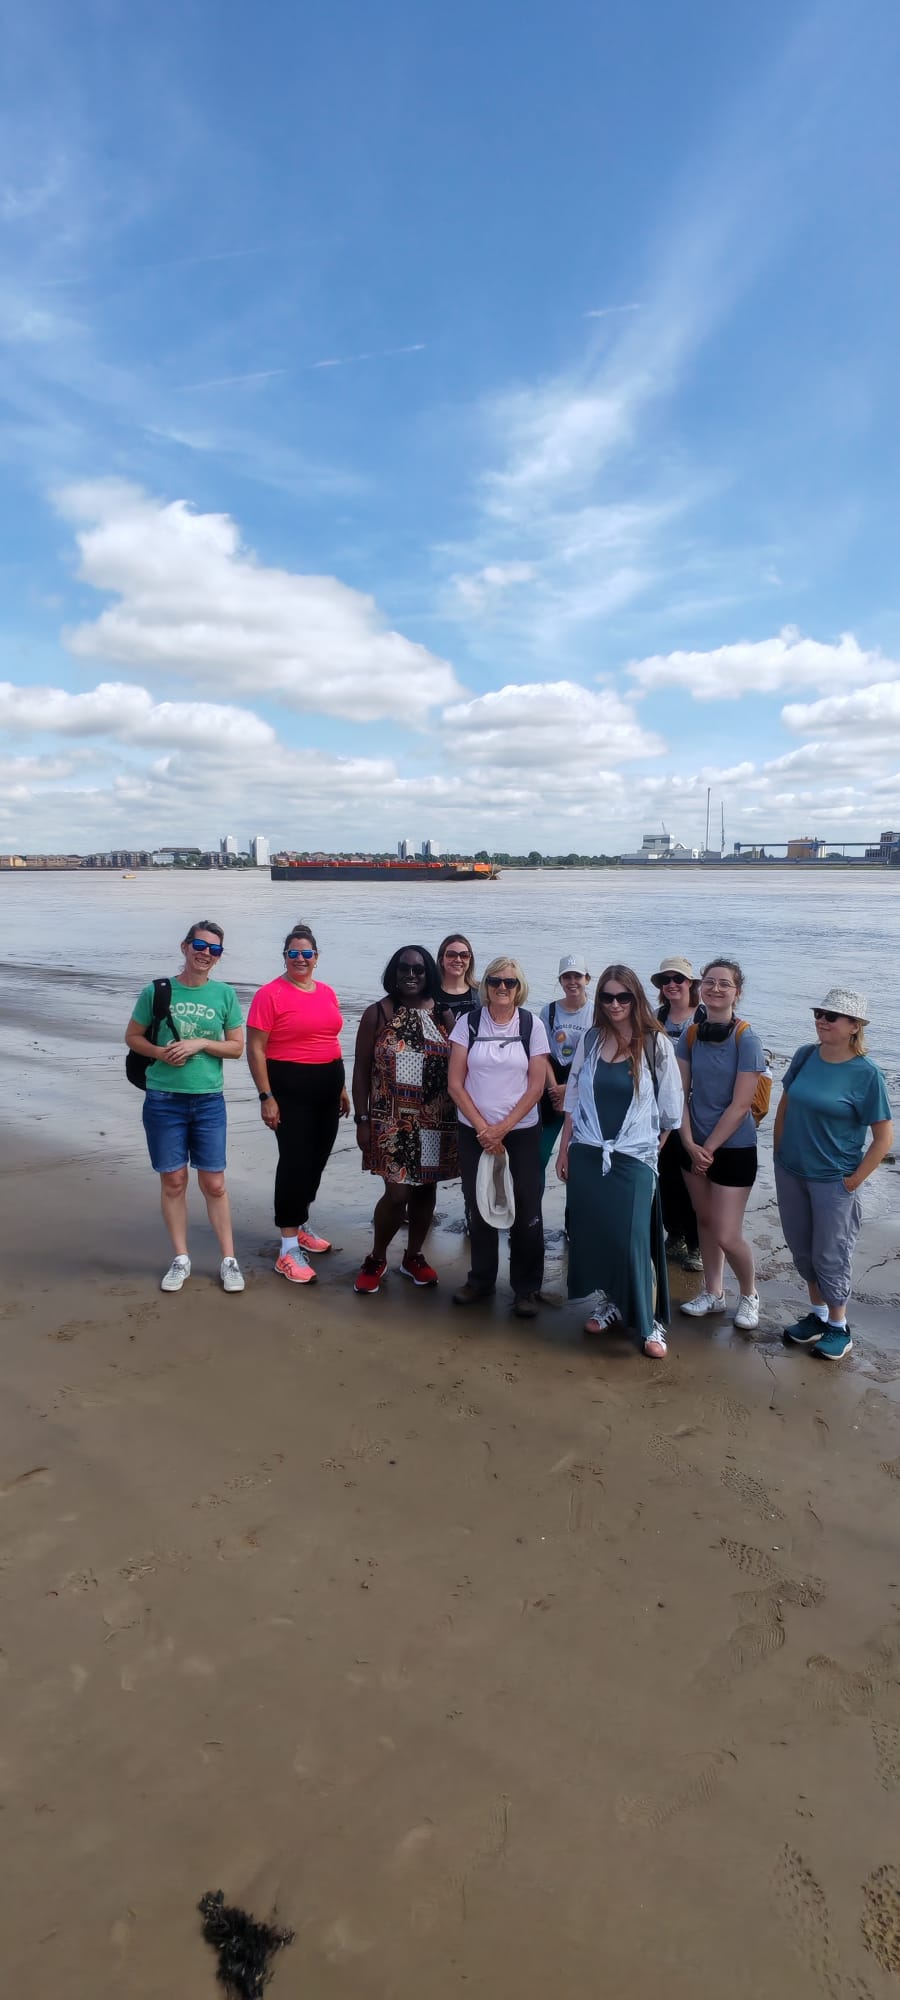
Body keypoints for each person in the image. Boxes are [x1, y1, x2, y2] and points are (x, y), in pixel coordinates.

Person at [556, 965, 683, 1359]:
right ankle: (610, 1302)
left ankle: (650, 1322)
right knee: (600, 1234)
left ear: (636, 998)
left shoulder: (655, 1043)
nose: (614, 1004)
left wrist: (650, 1153)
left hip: (633, 1157)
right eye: (607, 997)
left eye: (622, 997)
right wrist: (564, 1149)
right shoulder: (592, 1039)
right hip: (589, 1150)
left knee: (633, 1240)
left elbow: (670, 1111)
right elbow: (574, 1097)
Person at [125, 919, 245, 1293]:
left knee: (215, 1183)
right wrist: (160, 1051)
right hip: (163, 1099)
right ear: (184, 946)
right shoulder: (158, 991)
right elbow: (132, 1037)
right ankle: (181, 1259)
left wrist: (199, 1044)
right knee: (174, 1181)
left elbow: (237, 1047)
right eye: (200, 945)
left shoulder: (224, 994)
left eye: (214, 949)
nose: (205, 953)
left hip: (209, 1100)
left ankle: (229, 1260)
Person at [774, 985, 893, 1361]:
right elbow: (786, 1104)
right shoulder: (806, 1055)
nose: (821, 1021)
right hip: (791, 1171)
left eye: (831, 1016)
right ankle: (819, 1315)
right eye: (818, 1014)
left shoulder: (867, 1074)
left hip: (832, 1179)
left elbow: (883, 1139)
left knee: (831, 1254)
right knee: (803, 1250)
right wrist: (779, 1153)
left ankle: (839, 1328)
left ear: (854, 1025)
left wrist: (853, 1181)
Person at [447, 955, 550, 1319]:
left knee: (525, 1206)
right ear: (485, 986)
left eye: (510, 982)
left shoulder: (531, 1025)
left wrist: (502, 1129)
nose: (502, 988)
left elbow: (536, 1086)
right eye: (495, 982)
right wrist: (482, 1128)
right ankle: (480, 1281)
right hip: (474, 1130)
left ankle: (526, 1288)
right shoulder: (467, 1023)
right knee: (479, 1204)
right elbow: (455, 1084)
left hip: (520, 1132)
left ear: (520, 987)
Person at [246, 925, 350, 1286]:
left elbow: (330, 1040)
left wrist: (341, 1088)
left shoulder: (327, 992)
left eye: (307, 953)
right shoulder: (269, 995)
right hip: (289, 1090)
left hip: (328, 1088)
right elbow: (256, 1048)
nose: (301, 959)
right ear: (285, 957)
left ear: (317, 957)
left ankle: (301, 1222)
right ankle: (287, 1247)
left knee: (317, 1160)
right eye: (294, 953)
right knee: (294, 1162)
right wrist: (266, 1096)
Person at [352, 946, 458, 1294]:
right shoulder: (378, 1013)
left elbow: (461, 1067)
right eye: (403, 969)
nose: (410, 975)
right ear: (393, 973)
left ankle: (413, 1255)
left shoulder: (444, 1015)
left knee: (425, 1189)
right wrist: (362, 1119)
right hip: (391, 1120)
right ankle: (377, 1256)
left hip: (435, 1119)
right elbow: (360, 1071)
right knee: (397, 1194)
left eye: (418, 969)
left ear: (429, 974)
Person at [677, 958, 766, 1331]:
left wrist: (707, 1148)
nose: (715, 989)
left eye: (724, 984)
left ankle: (749, 1294)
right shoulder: (690, 1035)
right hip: (692, 1143)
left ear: (737, 992)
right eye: (709, 982)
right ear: (700, 988)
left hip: (733, 1147)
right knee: (706, 1221)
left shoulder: (747, 1038)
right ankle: (713, 1292)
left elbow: (741, 1104)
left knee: (728, 1233)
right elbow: (678, 1094)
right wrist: (687, 1141)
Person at [650, 956, 703, 1271]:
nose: (672, 984)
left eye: (678, 979)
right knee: (665, 1176)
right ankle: (676, 1234)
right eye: (665, 980)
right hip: (660, 1108)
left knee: (692, 1178)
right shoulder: (657, 1016)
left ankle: (697, 1244)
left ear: (690, 983)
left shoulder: (705, 1015)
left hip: (696, 1111)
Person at [539, 953, 593, 1178]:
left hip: (580, 1087)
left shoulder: (597, 1012)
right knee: (538, 1157)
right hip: (552, 1088)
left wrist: (569, 1090)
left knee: (577, 1158)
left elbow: (596, 1058)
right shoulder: (548, 1011)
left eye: (577, 976)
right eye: (566, 977)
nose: (572, 982)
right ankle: (532, 1211)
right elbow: (541, 1055)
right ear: (560, 980)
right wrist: (554, 1090)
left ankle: (577, 1210)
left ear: (587, 979)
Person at [436, 934, 479, 1020]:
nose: (458, 960)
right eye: (451, 955)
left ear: (470, 960)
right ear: (441, 960)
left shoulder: (482, 993)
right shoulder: (429, 995)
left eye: (464, 955)